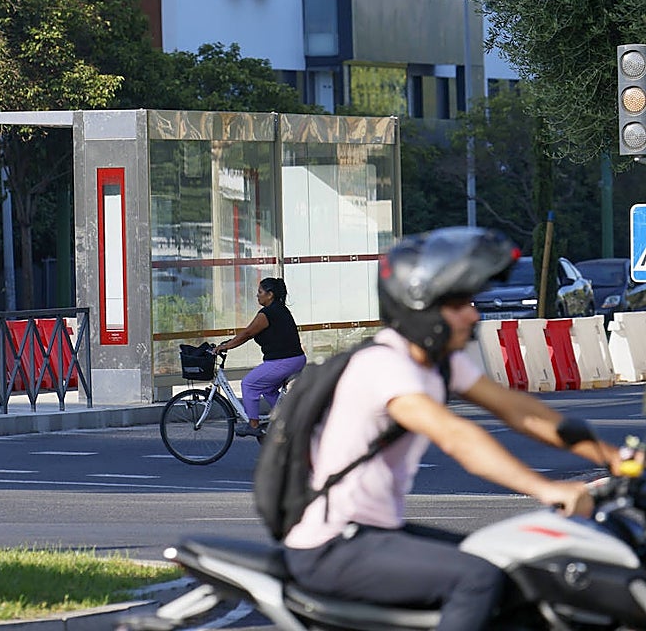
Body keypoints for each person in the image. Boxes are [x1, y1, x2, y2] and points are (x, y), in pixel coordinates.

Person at [282, 227, 622, 631]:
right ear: (420, 307)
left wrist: (614, 457)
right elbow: (457, 437)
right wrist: (547, 489)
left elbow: (518, 411)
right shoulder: (385, 366)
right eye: (459, 304)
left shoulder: (439, 362)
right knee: (477, 578)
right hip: (334, 545)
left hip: (377, 534)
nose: (474, 314)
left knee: (513, 569)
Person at [216, 276, 306, 437]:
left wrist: (225, 346)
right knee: (268, 388)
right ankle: (287, 418)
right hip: (294, 359)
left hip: (285, 361)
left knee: (249, 384)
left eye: (260, 292)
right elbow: (247, 333)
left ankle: (253, 425)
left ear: (269, 294)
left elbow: (248, 333)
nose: (257, 295)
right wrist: (228, 343)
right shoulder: (279, 309)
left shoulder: (268, 313)